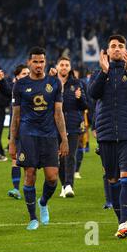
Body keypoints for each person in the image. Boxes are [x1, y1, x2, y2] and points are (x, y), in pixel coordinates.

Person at [89, 35, 127, 238]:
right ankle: (120, 221)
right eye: (113, 46)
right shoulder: (98, 74)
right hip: (106, 135)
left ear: (126, 51)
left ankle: (124, 222)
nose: (116, 49)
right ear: (106, 51)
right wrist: (104, 72)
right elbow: (93, 94)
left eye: (120, 46)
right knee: (113, 180)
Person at [9, 47, 69, 231]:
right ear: (29, 62)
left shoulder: (54, 83)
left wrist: (64, 139)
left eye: (41, 61)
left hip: (49, 136)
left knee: (52, 179)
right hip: (28, 136)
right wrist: (12, 141)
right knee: (30, 175)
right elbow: (16, 116)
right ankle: (33, 218)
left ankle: (43, 202)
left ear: (45, 62)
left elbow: (58, 113)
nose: (38, 65)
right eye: (35, 61)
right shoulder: (19, 85)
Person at [55, 57, 88, 198]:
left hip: (73, 125)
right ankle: (64, 185)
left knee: (70, 156)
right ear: (57, 67)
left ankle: (69, 185)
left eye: (66, 65)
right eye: (61, 65)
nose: (64, 67)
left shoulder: (77, 83)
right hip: (55, 125)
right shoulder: (51, 83)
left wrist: (80, 98)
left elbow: (86, 106)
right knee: (59, 159)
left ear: (70, 67)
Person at [0, 65, 30, 199]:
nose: (27, 75)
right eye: (23, 73)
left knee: (29, 162)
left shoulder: (36, 87)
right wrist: (0, 81)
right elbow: (6, 89)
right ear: (17, 76)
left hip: (31, 129)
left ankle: (28, 188)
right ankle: (16, 189)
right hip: (16, 128)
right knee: (15, 159)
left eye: (28, 73)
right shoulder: (14, 88)